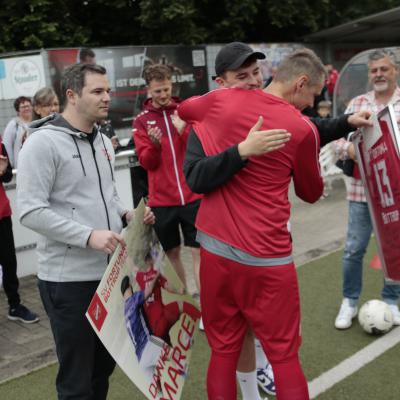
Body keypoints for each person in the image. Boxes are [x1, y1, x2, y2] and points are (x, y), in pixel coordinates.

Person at [183, 42, 373, 400]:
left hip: (217, 254)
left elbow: (186, 108)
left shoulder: (213, 107)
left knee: (224, 350)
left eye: (256, 73)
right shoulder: (295, 126)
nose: (253, 80)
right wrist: (242, 151)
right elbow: (311, 191)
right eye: (243, 76)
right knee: (283, 356)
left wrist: (343, 123)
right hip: (266, 259)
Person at [16, 63, 155, 400]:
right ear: (72, 95)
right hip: (67, 282)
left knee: (101, 371)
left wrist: (126, 214)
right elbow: (30, 211)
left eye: (108, 90)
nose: (107, 97)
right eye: (97, 91)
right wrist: (88, 235)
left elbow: (106, 193)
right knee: (76, 381)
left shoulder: (105, 141)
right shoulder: (41, 144)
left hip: (109, 275)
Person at [334, 49, 400, 330]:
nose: (379, 75)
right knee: (353, 249)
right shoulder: (358, 103)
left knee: (396, 247)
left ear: (394, 70)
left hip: (395, 194)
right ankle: (349, 301)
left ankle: (393, 300)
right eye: (374, 70)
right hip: (362, 193)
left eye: (384, 69)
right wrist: (351, 149)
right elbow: (336, 141)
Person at [133, 64, 203, 293]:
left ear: (171, 85)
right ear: (148, 90)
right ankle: (186, 304)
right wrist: (154, 146)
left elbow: (201, 148)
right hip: (163, 202)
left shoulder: (184, 110)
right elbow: (147, 163)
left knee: (199, 250)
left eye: (166, 89)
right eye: (157, 91)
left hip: (193, 195)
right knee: (172, 253)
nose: (163, 95)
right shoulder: (142, 121)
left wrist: (183, 130)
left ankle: (206, 306)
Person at [0, 137, 39, 323]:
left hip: (2, 213)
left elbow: (7, 175)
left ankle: (14, 305)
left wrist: (4, 170)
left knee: (8, 261)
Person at [135, 253, 201, 345]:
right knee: (181, 305)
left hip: (153, 330)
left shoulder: (139, 276)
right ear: (149, 261)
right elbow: (167, 286)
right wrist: (179, 291)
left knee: (168, 345)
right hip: (162, 318)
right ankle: (202, 321)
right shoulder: (155, 274)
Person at [2, 96, 33, 168]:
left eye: (28, 106)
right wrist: (10, 165)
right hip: (20, 166)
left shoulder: (37, 122)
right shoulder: (13, 125)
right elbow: (7, 146)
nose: (26, 108)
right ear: (17, 110)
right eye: (23, 107)